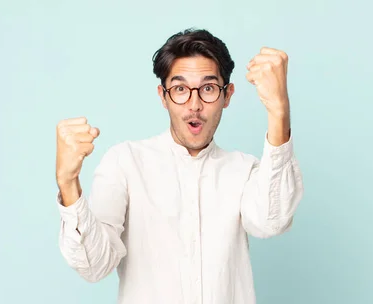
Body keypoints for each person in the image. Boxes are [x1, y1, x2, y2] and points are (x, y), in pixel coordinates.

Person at [54, 28, 304, 304]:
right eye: (180, 89)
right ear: (163, 96)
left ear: (227, 95)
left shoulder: (244, 170)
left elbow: (272, 221)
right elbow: (94, 265)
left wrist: (279, 111)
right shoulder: (125, 162)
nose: (194, 105)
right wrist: (68, 183)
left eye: (208, 88)